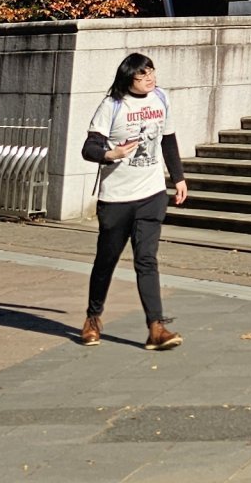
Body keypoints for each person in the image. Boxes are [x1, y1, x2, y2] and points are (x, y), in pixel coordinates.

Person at [77, 51, 187, 350]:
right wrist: (109, 154)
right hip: (116, 198)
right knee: (106, 260)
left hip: (151, 194)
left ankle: (156, 327)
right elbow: (89, 147)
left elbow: (168, 138)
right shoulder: (112, 105)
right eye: (142, 74)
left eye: (152, 71)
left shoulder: (161, 98)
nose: (150, 78)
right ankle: (93, 318)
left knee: (147, 260)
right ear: (129, 77)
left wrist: (178, 178)